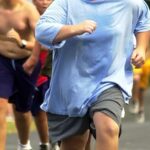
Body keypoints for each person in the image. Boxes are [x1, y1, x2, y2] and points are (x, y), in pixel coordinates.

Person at [35, 0, 150, 150]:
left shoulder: (129, 3)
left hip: (110, 80)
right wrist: (75, 29)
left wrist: (141, 48)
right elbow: (42, 30)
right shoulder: (66, 4)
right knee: (74, 144)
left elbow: (143, 21)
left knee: (108, 127)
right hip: (71, 85)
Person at [0, 0, 40, 150]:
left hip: (26, 62)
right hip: (2, 61)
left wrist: (22, 43)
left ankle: (24, 144)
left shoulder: (28, 10)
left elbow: (41, 40)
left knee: (22, 110)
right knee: (0, 105)